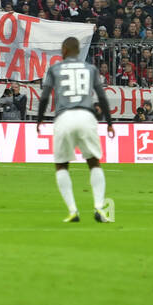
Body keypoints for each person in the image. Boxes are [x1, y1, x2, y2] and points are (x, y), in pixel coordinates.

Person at [37, 37, 114, 223]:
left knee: (61, 165)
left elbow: (45, 96)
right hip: (86, 116)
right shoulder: (91, 68)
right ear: (78, 51)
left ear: (64, 50)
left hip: (64, 117)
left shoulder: (54, 69)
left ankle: (73, 211)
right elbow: (102, 97)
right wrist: (109, 122)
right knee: (94, 162)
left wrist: (39, 119)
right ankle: (99, 208)